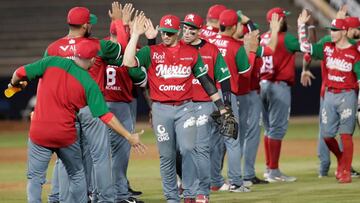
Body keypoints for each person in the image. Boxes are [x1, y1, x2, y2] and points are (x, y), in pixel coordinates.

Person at [8, 40, 146, 203]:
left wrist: (14, 84)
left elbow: (20, 72)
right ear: (94, 60)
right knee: (76, 173)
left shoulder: (52, 61)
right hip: (64, 134)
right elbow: (105, 116)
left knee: (35, 178)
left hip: (39, 131)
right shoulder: (88, 83)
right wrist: (128, 136)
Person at [123, 14, 235, 203]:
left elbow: (206, 81)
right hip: (161, 110)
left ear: (177, 33)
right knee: (167, 156)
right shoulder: (152, 52)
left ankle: (190, 194)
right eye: (164, 32)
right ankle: (172, 198)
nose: (165, 36)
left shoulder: (191, 53)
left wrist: (222, 107)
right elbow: (127, 62)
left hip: (185, 108)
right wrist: (135, 35)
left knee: (189, 149)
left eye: (170, 33)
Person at [45, 4, 129, 202]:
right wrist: (118, 22)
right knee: (100, 157)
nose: (91, 25)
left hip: (65, 108)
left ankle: (62, 199)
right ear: (84, 26)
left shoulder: (53, 48)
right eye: (89, 23)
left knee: (65, 158)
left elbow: (45, 78)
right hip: (92, 107)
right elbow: (125, 52)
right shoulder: (98, 45)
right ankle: (106, 199)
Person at [298, 11, 360, 183]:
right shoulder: (326, 47)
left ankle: (345, 171)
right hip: (329, 95)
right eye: (331, 29)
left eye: (335, 29)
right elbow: (305, 48)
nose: (331, 32)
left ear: (344, 32)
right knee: (327, 135)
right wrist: (301, 26)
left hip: (347, 95)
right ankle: (342, 159)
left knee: (346, 134)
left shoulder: (355, 53)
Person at [181, 13, 231, 202]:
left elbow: (224, 77)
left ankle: (203, 191)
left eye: (191, 29)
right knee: (184, 149)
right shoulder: (178, 48)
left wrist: (225, 105)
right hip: (183, 104)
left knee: (201, 148)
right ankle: (187, 188)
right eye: (184, 28)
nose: (186, 32)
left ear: (199, 31)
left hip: (203, 103)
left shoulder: (211, 49)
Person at [260, 7, 301, 182]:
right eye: (284, 18)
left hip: (261, 85)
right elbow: (309, 48)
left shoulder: (262, 37)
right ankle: (274, 172)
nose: (287, 22)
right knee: (277, 129)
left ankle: (269, 169)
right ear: (279, 20)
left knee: (268, 129)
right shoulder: (287, 38)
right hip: (279, 86)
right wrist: (306, 28)